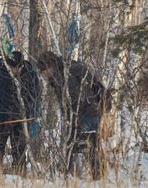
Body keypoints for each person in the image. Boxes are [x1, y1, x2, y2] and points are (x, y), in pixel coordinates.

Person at [36, 51, 111, 180]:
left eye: (44, 71)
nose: (44, 75)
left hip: (86, 112)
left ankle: (80, 174)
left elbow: (75, 98)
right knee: (88, 142)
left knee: (83, 142)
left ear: (50, 66)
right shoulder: (66, 68)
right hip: (92, 109)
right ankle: (94, 173)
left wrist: (73, 118)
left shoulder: (64, 74)